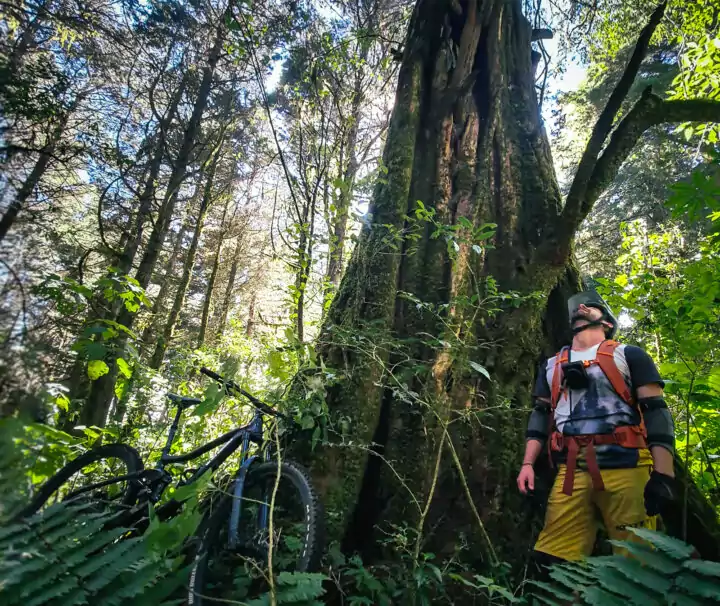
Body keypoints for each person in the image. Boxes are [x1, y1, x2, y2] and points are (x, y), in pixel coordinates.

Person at [517, 291, 677, 567]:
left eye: (591, 306)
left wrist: (664, 475)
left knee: (638, 562)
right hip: (572, 469)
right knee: (555, 560)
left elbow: (656, 410)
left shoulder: (629, 355)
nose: (581, 307)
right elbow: (541, 414)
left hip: (628, 465)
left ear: (607, 323)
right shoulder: (552, 366)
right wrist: (528, 463)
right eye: (577, 307)